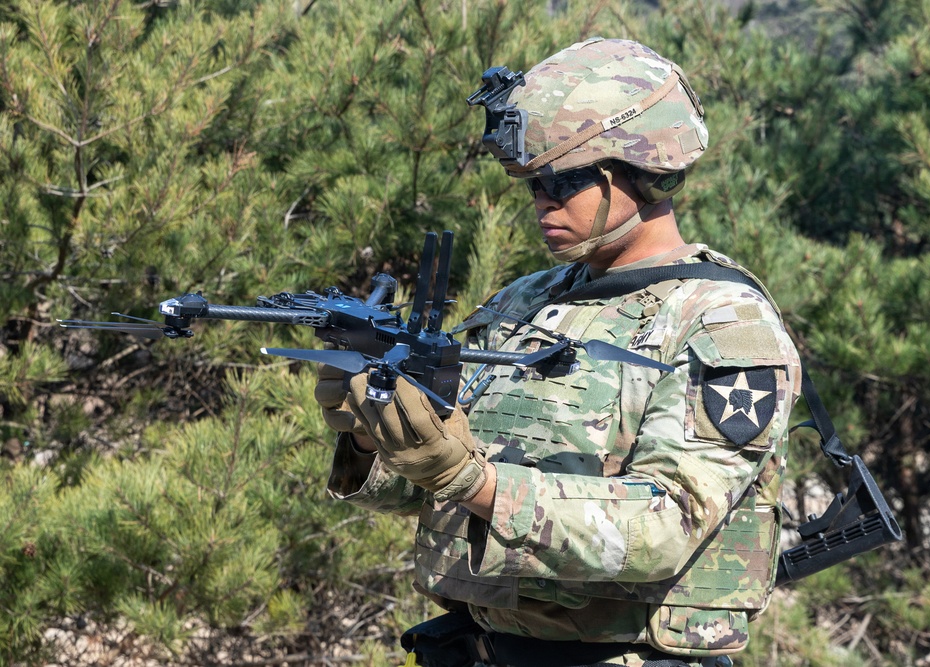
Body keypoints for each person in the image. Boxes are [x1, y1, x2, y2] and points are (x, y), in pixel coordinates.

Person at [314, 38, 801, 667]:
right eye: (534, 182)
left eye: (565, 179)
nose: (543, 198)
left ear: (647, 172)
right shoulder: (525, 303)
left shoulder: (722, 323)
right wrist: (372, 438)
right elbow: (428, 491)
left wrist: (471, 480)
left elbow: (665, 527)